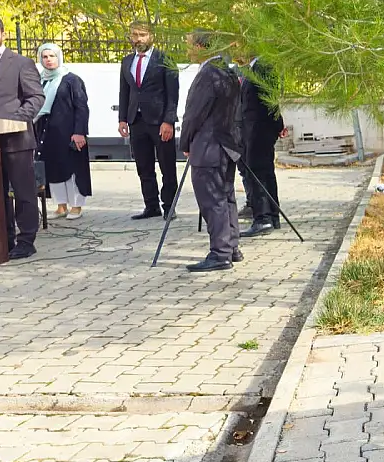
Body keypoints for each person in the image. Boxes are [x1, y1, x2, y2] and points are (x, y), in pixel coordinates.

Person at [180, 31, 243, 272]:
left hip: (208, 147)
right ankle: (231, 247)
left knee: (212, 201)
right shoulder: (227, 70)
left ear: (200, 46)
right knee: (226, 198)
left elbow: (194, 114)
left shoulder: (208, 74)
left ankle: (220, 253)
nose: (188, 51)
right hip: (226, 146)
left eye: (190, 45)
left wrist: (185, 143)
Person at [118, 19, 180, 220]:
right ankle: (151, 206)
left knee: (167, 166)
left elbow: (173, 94)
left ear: (151, 36)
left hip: (160, 122)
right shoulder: (127, 61)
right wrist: (122, 119)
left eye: (142, 35)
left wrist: (169, 120)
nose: (138, 39)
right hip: (136, 121)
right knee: (143, 166)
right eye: (134, 35)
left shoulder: (164, 59)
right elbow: (124, 92)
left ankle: (169, 206)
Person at [0, 17, 44, 259]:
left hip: (16, 139)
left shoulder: (21, 63)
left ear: (3, 34)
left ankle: (27, 239)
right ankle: (5, 239)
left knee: (23, 191)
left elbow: (36, 97)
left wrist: (16, 119)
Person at [34, 43, 92, 219]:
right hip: (47, 133)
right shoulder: (41, 80)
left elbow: (82, 107)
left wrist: (79, 132)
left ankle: (76, 206)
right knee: (53, 168)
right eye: (45, 57)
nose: (49, 60)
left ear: (58, 57)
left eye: (52, 56)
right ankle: (60, 206)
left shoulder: (71, 80)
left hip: (69, 133)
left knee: (72, 169)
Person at [238, 55, 287, 238]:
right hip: (254, 130)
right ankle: (272, 216)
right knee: (264, 173)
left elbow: (270, 100)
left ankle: (263, 218)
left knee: (258, 174)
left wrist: (278, 124)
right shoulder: (252, 67)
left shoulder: (263, 67)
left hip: (258, 131)